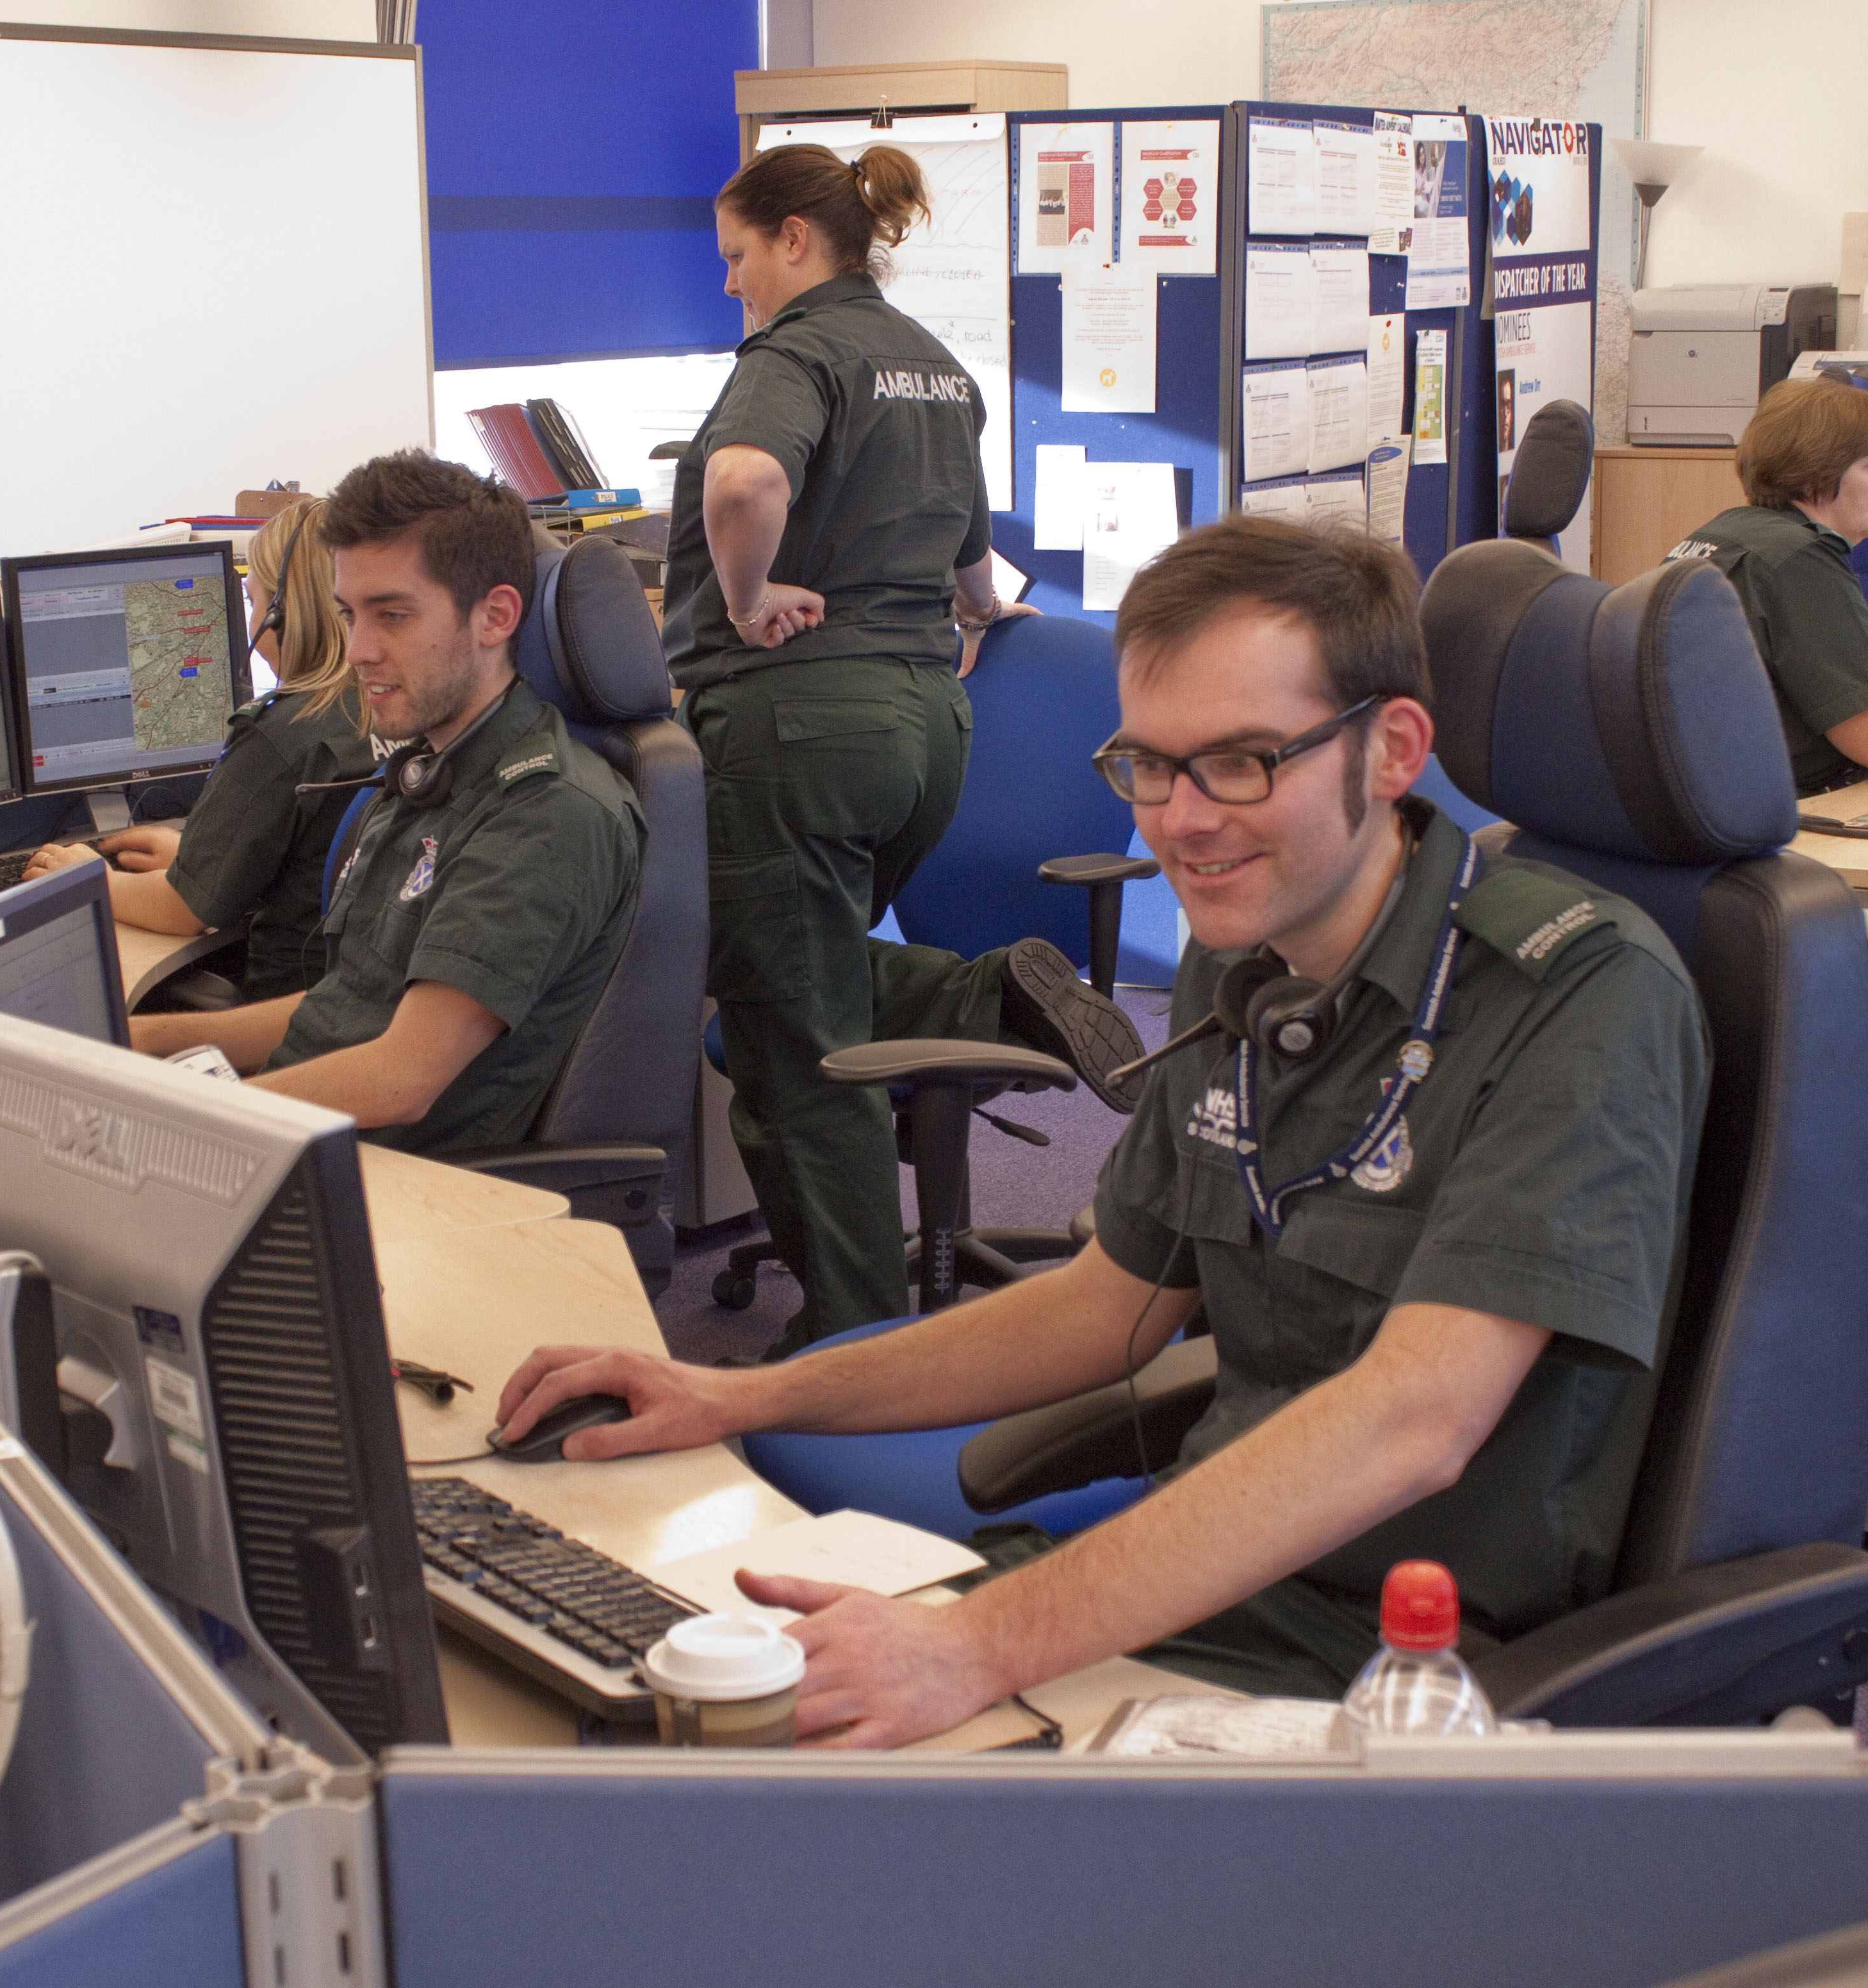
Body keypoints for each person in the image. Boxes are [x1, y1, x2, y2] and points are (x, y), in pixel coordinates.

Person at [499, 518, 1710, 1748]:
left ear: (1390, 748)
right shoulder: (1251, 961)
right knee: (681, 1720)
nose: (1181, 821)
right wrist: (738, 1391)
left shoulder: (1577, 990)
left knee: (810, 1832)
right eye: (1147, 763)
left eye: (1240, 761)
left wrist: (977, 1641)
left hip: (1402, 1663)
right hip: (1212, 1573)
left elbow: (1414, 1418)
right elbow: (1103, 1307)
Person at [667, 139, 1142, 1352]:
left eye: (736, 257)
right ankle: (993, 989)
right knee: (809, 968)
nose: (732, 285)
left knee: (793, 1041)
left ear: (791, 237)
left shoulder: (798, 350)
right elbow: (971, 561)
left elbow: (737, 483)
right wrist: (984, 615)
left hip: (796, 728)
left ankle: (858, 1341)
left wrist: (743, 592)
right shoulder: (937, 367)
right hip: (927, 727)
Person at [127, 452, 642, 1154]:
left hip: (396, 1193)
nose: (359, 650)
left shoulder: (548, 815)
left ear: (495, 617)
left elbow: (401, 1078)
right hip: (314, 1144)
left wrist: (176, 1118)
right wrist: (145, 1041)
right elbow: (345, 1009)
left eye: (392, 616)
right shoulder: (430, 774)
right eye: (349, 614)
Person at [21, 493, 376, 1000]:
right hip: (347, 994)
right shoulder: (379, 710)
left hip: (282, 1013)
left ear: (284, 613)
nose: (252, 621)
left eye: (255, 602)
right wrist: (196, 859)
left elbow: (183, 911)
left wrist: (92, 878)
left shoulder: (279, 737)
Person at [1664, 379, 1868, 796]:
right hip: (1782, 813)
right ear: (1818, 474)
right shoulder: (1800, 558)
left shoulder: (1725, 535)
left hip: (1704, 799)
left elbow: (1749, 697)